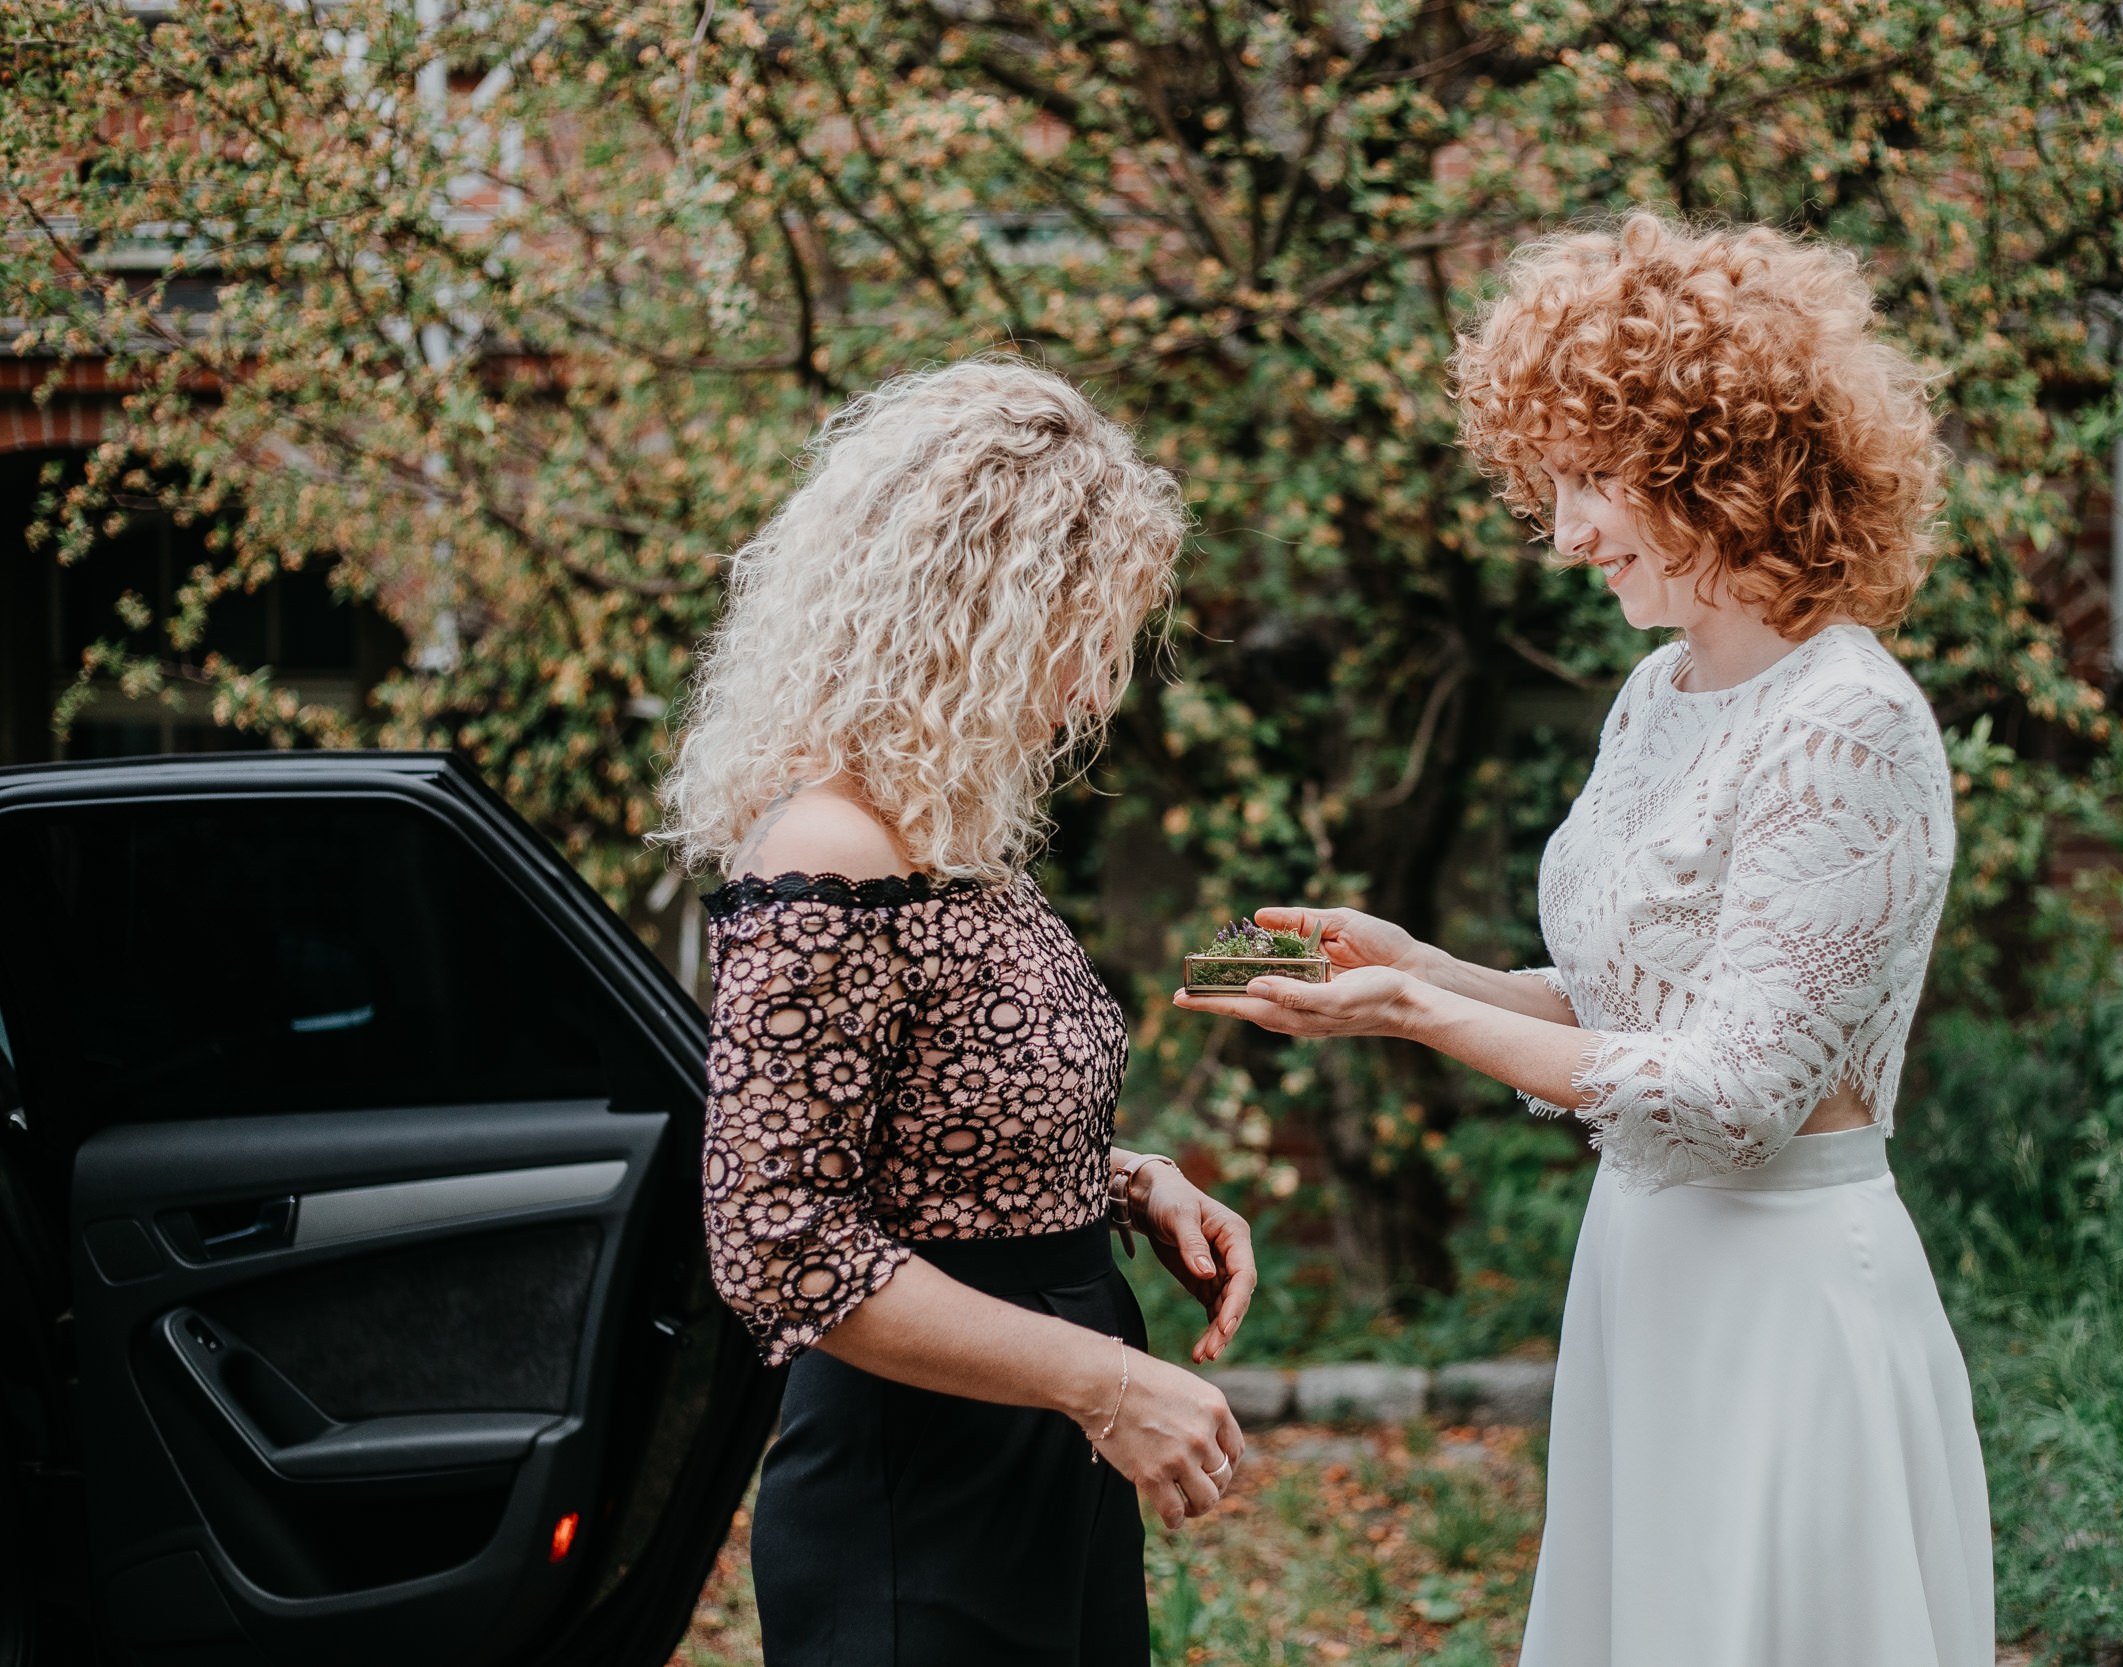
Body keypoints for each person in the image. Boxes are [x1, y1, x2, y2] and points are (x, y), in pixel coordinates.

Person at [1177, 217, 1994, 1666]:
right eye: (1550, 482)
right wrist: (1418, 966)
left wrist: (1419, 1020)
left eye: (1596, 478)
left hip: (1784, 1298)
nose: (1566, 531)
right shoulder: (1656, 695)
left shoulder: (1847, 724)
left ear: (1723, 461)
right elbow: (1628, 1000)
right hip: (1644, 1272)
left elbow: (1732, 1092)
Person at [662, 357, 1257, 1667]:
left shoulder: (956, 841)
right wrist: (1102, 1382)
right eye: (1088, 633)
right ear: (980, 604)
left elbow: (921, 1141)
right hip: (918, 1492)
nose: (1096, 690)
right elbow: (780, 1241)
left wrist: (1125, 1183)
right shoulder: (829, 848)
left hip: (1043, 1467)